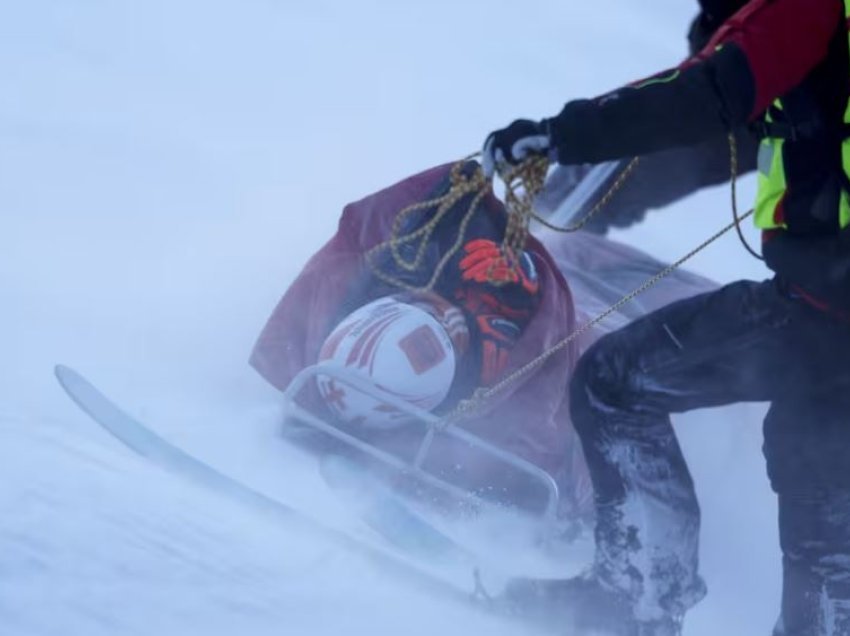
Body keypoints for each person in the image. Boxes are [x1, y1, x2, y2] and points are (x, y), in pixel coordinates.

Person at [482, 1, 850, 635]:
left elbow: (709, 93)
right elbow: (721, 119)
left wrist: (562, 134)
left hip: (826, 313)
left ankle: (634, 603)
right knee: (824, 509)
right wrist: (583, 197)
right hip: (828, 311)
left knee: (615, 383)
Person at [250, 161, 715, 527]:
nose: (451, 318)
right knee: (665, 320)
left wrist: (475, 245)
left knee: (609, 274)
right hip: (587, 315)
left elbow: (416, 208)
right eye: (449, 337)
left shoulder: (365, 281)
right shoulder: (508, 425)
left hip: (572, 284)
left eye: (434, 314)